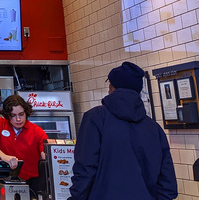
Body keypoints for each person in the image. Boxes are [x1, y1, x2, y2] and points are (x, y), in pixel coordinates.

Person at [69, 62, 177, 200]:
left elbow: (85, 169)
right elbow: (168, 184)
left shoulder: (95, 118)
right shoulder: (154, 129)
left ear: (112, 87)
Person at [0, 94, 48, 194]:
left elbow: (45, 156)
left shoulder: (38, 132)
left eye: (21, 114)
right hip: (2, 179)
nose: (18, 119)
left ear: (26, 113)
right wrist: (5, 157)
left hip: (30, 183)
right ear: (7, 115)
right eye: (13, 116)